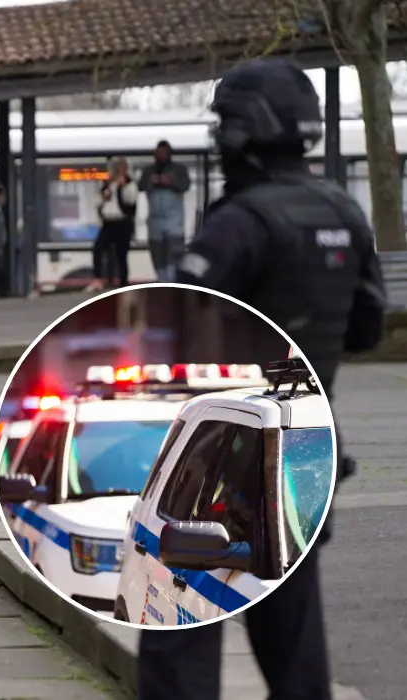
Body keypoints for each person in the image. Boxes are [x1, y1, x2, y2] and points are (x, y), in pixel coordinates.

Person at [144, 57, 386, 700]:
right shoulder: (344, 212)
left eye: (224, 122)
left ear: (244, 129)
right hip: (305, 452)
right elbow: (366, 330)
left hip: (222, 460)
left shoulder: (238, 223)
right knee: (293, 641)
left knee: (180, 627)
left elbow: (178, 330)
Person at [138, 139, 192, 282]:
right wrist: (152, 181)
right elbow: (140, 186)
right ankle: (162, 280)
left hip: (174, 220)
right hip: (155, 219)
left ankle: (173, 282)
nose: (161, 156)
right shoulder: (148, 171)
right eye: (159, 153)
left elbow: (185, 185)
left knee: (174, 253)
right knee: (157, 254)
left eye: (164, 153)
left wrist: (170, 182)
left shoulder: (179, 170)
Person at [90, 157, 137, 291]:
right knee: (98, 248)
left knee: (121, 254)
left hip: (122, 222)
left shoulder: (130, 184)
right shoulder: (106, 184)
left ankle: (123, 281)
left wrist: (123, 186)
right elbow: (97, 202)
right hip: (108, 222)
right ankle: (98, 279)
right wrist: (104, 196)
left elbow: (131, 201)